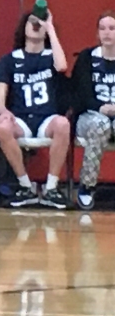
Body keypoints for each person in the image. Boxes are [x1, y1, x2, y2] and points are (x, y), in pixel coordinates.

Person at [0, 9, 70, 209]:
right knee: (2, 126)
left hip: (46, 118)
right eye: (32, 21)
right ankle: (25, 186)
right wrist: (5, 113)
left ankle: (51, 188)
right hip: (21, 119)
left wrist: (50, 28)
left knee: (63, 123)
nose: (36, 25)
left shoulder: (51, 56)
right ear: (23, 27)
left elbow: (62, 66)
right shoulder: (9, 60)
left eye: (40, 22)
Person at [69, 11, 115, 210]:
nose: (107, 33)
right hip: (90, 116)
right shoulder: (87, 58)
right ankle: (87, 186)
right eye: (102, 28)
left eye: (112, 28)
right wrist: (101, 107)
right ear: (97, 33)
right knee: (100, 124)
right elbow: (80, 95)